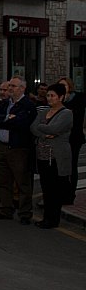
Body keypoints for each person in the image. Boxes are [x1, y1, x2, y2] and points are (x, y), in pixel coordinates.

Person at [0, 76, 37, 224]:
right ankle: (6, 209)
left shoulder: (28, 105)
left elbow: (21, 123)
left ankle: (24, 213)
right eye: (9, 85)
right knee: (3, 181)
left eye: (13, 86)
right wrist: (7, 118)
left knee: (22, 182)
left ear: (22, 88)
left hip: (18, 149)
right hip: (1, 146)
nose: (10, 88)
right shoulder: (4, 103)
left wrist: (5, 120)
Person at [30, 83, 73, 229]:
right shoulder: (43, 112)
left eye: (52, 95)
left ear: (61, 97)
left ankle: (53, 219)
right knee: (46, 188)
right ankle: (46, 217)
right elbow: (33, 127)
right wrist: (46, 133)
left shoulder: (66, 113)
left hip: (56, 157)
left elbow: (55, 128)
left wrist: (43, 128)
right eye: (48, 95)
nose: (49, 98)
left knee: (55, 189)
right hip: (42, 156)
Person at [58, 76, 85, 205]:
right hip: (60, 138)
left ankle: (70, 194)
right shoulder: (58, 100)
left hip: (74, 138)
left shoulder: (78, 98)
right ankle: (61, 192)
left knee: (71, 166)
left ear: (69, 87)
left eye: (64, 85)